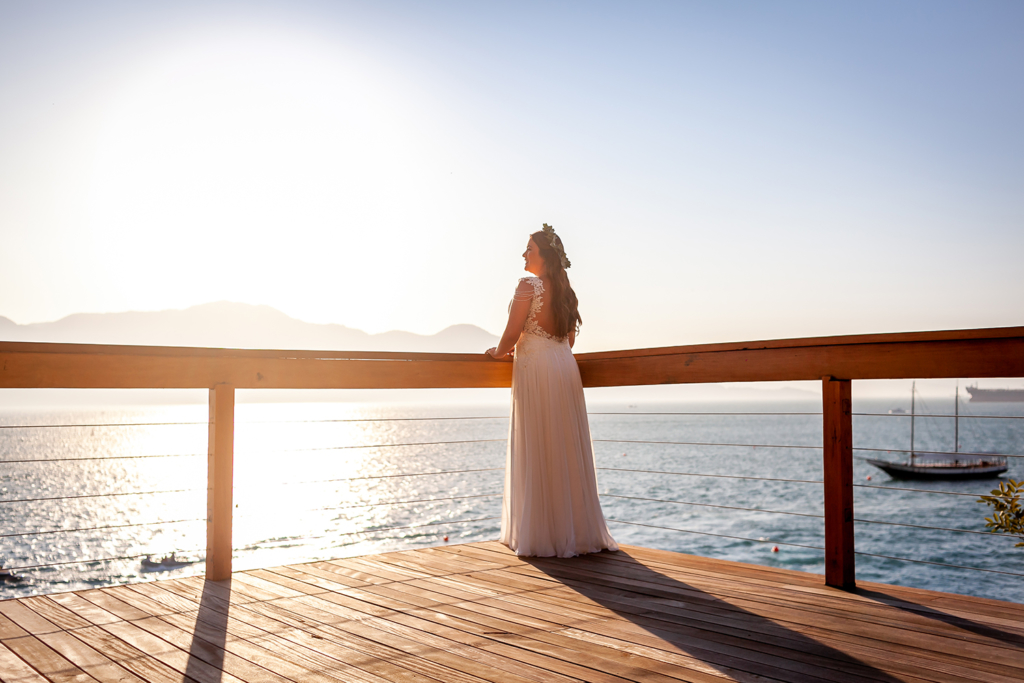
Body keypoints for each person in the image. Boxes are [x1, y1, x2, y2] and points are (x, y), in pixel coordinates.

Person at [486, 224, 618, 557]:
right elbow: (569, 340)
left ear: (544, 255)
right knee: (563, 444)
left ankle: (542, 534)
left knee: (539, 442)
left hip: (537, 368)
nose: (523, 254)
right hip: (564, 368)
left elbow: (512, 333)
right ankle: (574, 532)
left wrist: (497, 353)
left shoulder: (527, 285)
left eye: (529, 248)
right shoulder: (566, 291)